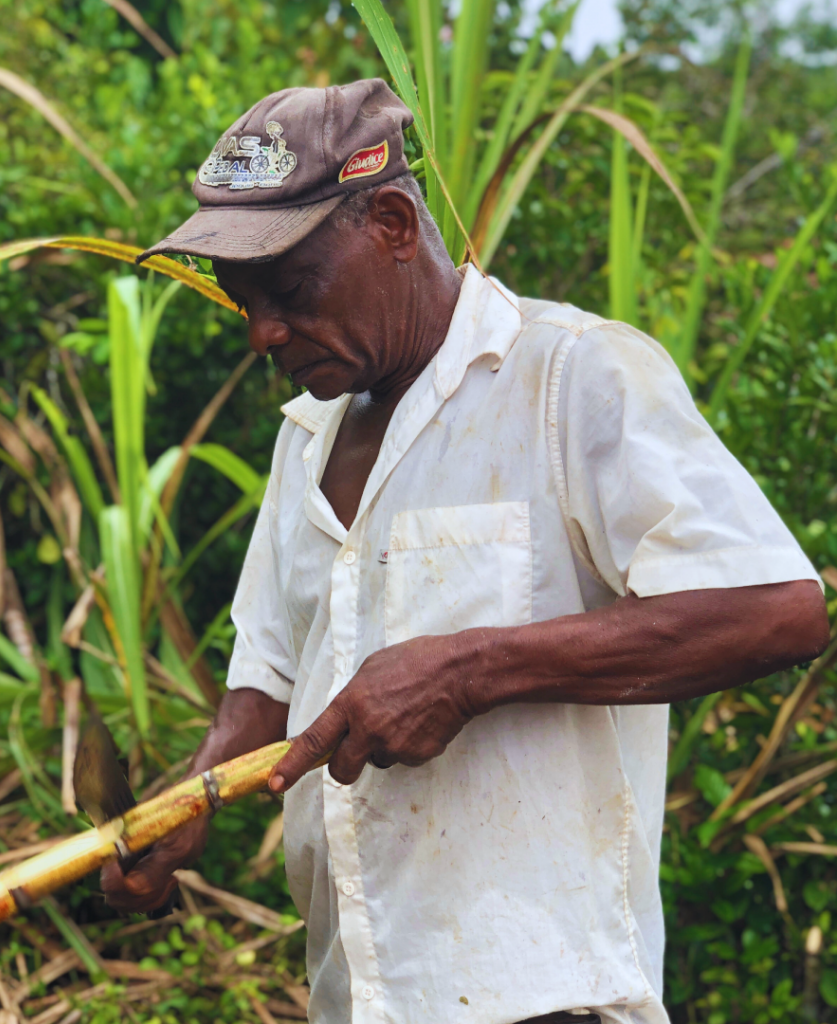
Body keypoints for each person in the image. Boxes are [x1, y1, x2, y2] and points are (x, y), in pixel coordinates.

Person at [102, 79, 829, 1024]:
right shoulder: (306, 434)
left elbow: (776, 610)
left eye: (286, 291)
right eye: (245, 303)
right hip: (361, 995)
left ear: (394, 224)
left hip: (550, 996)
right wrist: (190, 799)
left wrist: (472, 669)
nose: (261, 334)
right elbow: (272, 670)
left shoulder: (573, 377)